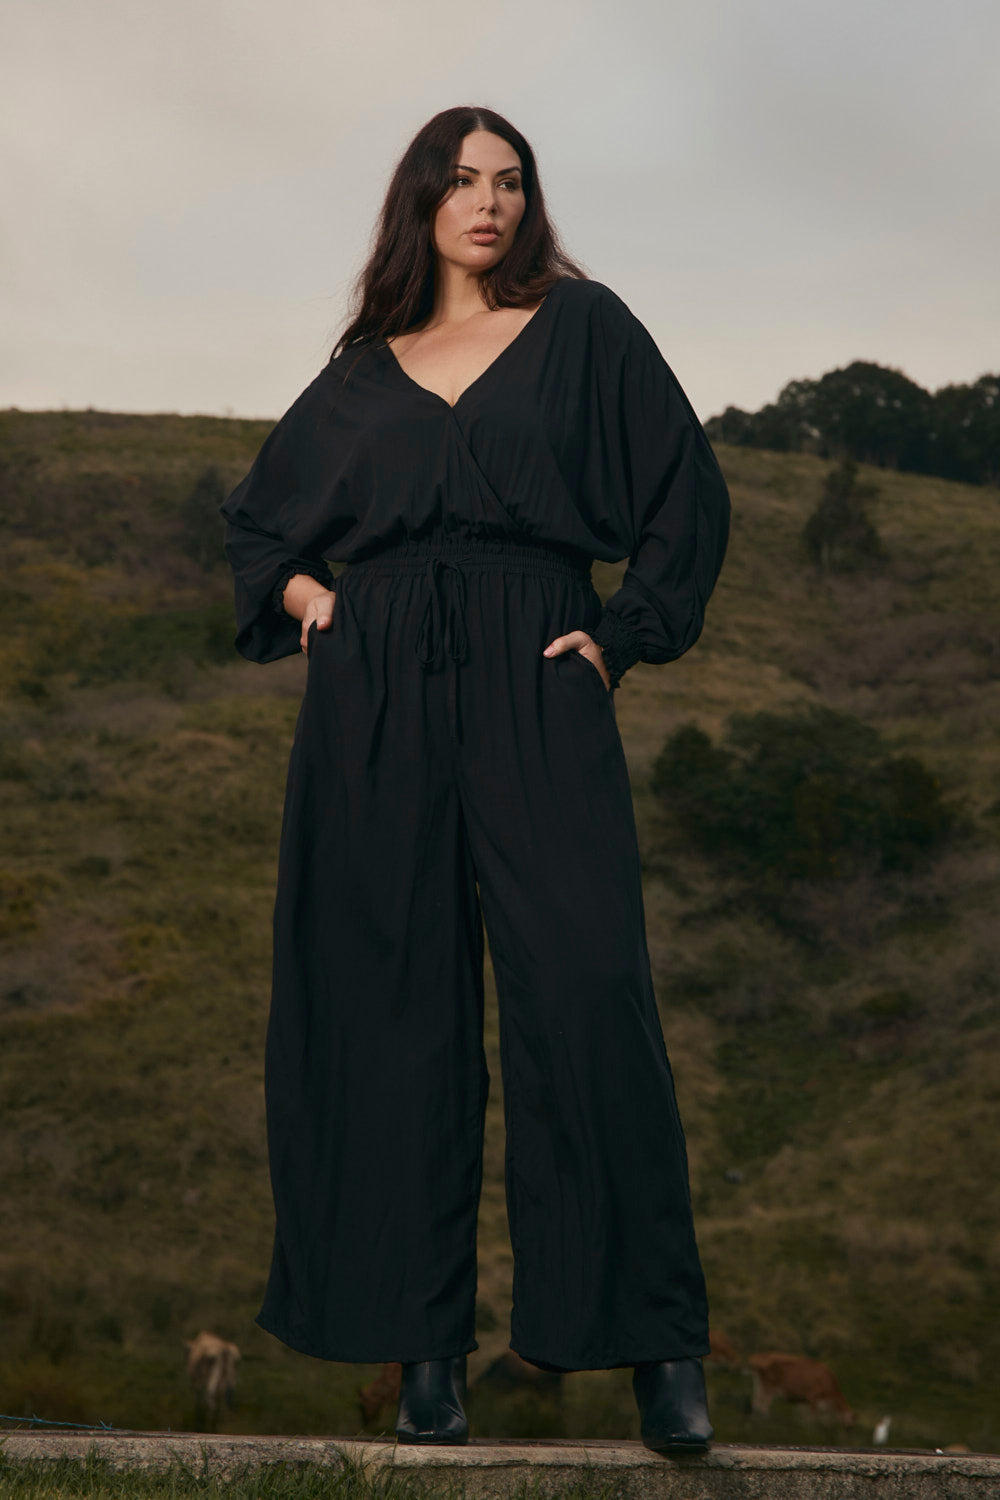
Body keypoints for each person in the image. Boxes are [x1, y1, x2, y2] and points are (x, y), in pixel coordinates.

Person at [219, 104, 731, 1454]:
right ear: (422, 203)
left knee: (588, 992)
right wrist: (314, 601)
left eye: (509, 180)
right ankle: (424, 1356)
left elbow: (686, 494)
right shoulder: (362, 370)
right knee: (387, 1009)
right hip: (376, 688)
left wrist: (620, 639)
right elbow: (259, 525)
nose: (489, 202)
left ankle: (657, 1351)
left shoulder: (585, 328)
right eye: (461, 181)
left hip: (537, 667)